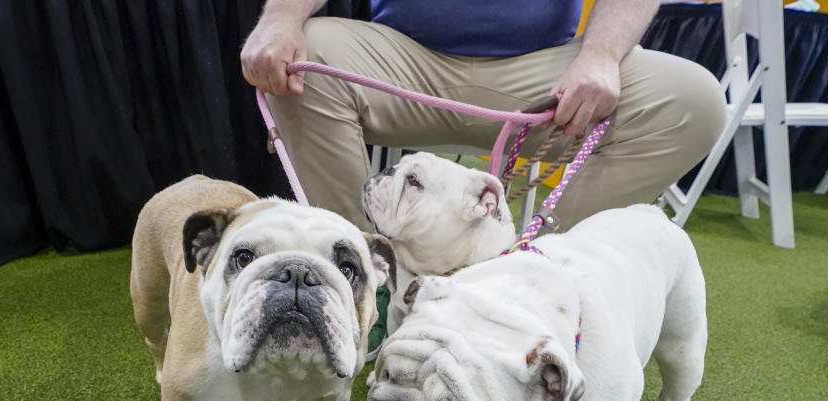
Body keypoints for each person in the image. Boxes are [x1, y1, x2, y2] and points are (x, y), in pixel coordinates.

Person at [240, 0, 726, 234]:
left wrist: (600, 54)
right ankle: (364, 272)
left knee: (693, 98)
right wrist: (280, 19)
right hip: (403, 60)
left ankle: (535, 266)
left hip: (545, 74)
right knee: (309, 54)